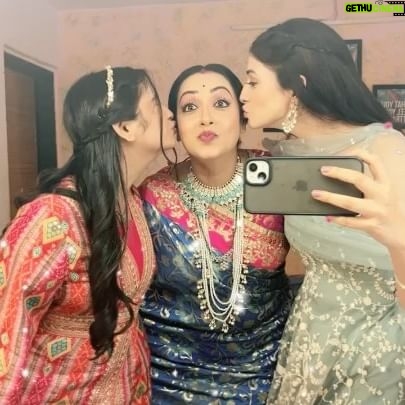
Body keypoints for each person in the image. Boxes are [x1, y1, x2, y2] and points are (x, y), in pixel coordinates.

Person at [239, 17, 405, 404]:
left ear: (297, 86)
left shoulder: (385, 151)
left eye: (253, 81)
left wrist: (400, 242)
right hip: (311, 339)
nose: (243, 94)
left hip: (375, 350)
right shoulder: (290, 160)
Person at [0, 66, 176, 404]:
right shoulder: (53, 217)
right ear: (125, 127)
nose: (169, 113)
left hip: (126, 388)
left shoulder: (134, 202)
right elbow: (6, 330)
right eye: (156, 104)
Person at [139, 63, 293, 404]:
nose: (205, 119)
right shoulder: (154, 196)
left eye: (221, 103)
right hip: (168, 377)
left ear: (243, 116)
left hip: (265, 372)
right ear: (176, 126)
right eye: (190, 107)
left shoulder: (276, 178)